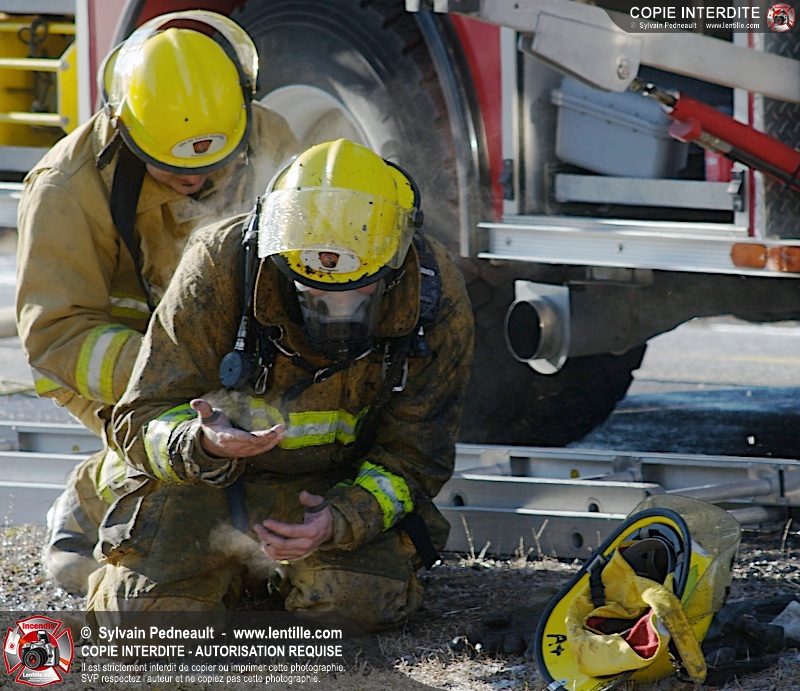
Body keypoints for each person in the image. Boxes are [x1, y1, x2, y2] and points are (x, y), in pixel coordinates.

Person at [87, 139, 474, 631]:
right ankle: (121, 529)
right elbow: (140, 417)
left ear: (393, 261)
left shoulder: (432, 292)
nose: (335, 308)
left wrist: (340, 519)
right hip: (207, 486)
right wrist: (201, 442)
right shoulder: (221, 263)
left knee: (352, 606)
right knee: (144, 624)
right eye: (311, 287)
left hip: (333, 488)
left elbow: (418, 455)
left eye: (357, 289)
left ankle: (257, 578)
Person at [14, 10, 299, 595]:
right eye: (169, 166)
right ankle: (97, 491)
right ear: (122, 127)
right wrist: (176, 377)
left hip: (238, 364)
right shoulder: (67, 188)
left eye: (213, 162)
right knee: (166, 478)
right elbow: (57, 334)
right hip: (125, 381)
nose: (193, 180)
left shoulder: (267, 135)